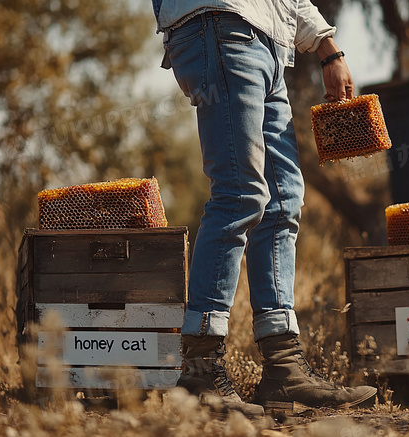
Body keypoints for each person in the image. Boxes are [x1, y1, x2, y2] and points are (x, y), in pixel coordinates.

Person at [152, 0, 377, 417]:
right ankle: (200, 367)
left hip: (270, 43)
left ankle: (283, 367)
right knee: (240, 193)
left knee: (283, 200)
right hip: (219, 27)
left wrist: (329, 48)